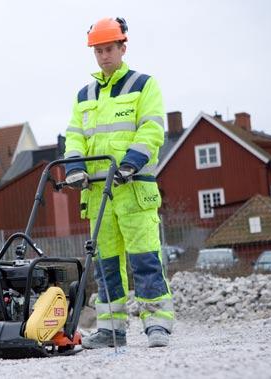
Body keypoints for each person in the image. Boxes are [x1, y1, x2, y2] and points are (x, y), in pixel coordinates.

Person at [64, 17, 174, 348]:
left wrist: (130, 163)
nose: (103, 56)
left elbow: (152, 129)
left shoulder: (144, 85)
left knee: (145, 260)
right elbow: (75, 135)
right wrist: (73, 166)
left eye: (109, 49)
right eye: (98, 50)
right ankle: (112, 330)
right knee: (107, 266)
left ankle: (157, 324)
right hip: (99, 194)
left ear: (123, 47)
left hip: (133, 188)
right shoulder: (84, 95)